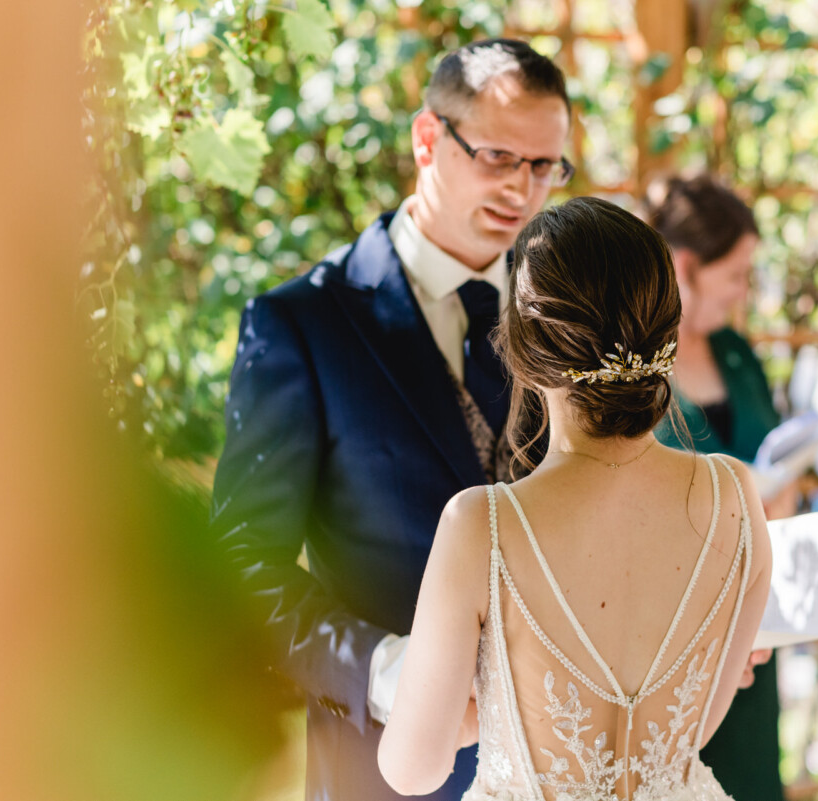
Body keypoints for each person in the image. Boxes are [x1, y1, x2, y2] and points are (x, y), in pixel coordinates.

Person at [209, 39, 572, 801]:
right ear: (428, 139)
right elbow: (243, 565)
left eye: (545, 167)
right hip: (386, 772)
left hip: (559, 764)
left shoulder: (565, 319)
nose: (522, 189)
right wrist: (382, 669)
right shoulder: (303, 324)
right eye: (501, 156)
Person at [378, 196, 773, 799]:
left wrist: (497, 702)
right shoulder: (736, 496)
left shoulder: (479, 525)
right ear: (666, 331)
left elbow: (412, 769)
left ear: (524, 349)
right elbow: (691, 730)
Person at [645, 174, 785, 801]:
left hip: (759, 631)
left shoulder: (735, 350)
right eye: (736, 273)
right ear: (684, 266)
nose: (743, 291)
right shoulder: (631, 373)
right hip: (675, 644)